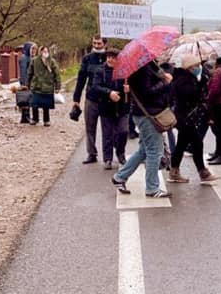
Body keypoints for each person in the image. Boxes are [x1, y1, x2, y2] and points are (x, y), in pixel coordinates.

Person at [112, 61, 174, 198]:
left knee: (144, 151)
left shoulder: (145, 66)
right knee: (155, 152)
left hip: (145, 113)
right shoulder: (143, 69)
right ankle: (152, 188)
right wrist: (164, 82)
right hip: (147, 114)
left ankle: (119, 178)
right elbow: (147, 92)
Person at [166, 55, 219, 185]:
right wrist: (200, 83)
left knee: (181, 144)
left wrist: (200, 82)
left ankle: (174, 171)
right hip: (184, 117)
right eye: (196, 66)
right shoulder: (183, 79)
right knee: (197, 143)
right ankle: (202, 172)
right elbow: (191, 95)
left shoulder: (187, 77)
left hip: (185, 117)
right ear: (189, 67)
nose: (198, 68)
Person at [89, 49, 129, 170]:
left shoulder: (124, 70)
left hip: (122, 106)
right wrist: (109, 93)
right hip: (106, 106)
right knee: (107, 134)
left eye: (113, 57)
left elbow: (131, 86)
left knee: (123, 131)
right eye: (109, 57)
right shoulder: (100, 70)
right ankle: (107, 158)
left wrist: (128, 89)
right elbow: (95, 87)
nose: (110, 59)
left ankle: (120, 153)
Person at [72, 36, 109, 164]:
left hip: (106, 99)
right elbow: (81, 78)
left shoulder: (110, 58)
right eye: (94, 43)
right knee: (90, 127)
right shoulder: (87, 58)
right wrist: (76, 98)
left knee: (107, 128)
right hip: (91, 98)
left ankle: (107, 156)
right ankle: (91, 153)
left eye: (99, 43)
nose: (96, 45)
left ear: (104, 43)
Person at [27, 45, 60, 127]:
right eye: (43, 51)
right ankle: (35, 119)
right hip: (36, 86)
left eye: (46, 51)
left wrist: (57, 86)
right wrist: (27, 84)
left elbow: (57, 74)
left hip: (48, 86)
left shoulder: (51, 61)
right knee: (34, 104)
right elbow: (30, 73)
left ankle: (46, 120)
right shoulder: (34, 61)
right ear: (40, 52)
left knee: (46, 105)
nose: (45, 53)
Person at [18, 42, 36, 124]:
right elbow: (23, 71)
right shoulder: (24, 58)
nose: (34, 51)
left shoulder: (31, 58)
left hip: (32, 82)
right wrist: (24, 83)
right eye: (32, 49)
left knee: (28, 99)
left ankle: (27, 116)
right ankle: (24, 117)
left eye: (35, 49)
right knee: (25, 99)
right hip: (26, 82)